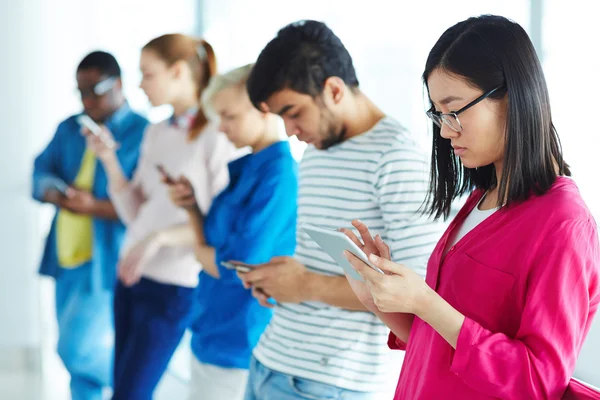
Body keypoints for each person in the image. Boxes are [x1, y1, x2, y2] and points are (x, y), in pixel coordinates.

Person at [342, 15, 600, 400]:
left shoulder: (564, 224)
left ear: (512, 96)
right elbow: (441, 343)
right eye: (438, 114)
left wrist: (425, 301)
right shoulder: (480, 198)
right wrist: (379, 299)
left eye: (455, 110)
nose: (445, 131)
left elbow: (538, 382)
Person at [239, 20, 444, 399]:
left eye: (293, 112)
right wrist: (280, 280)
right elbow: (316, 260)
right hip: (270, 359)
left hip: (330, 384)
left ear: (333, 89)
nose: (288, 130)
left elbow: (420, 294)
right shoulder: (316, 152)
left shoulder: (397, 157)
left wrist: (306, 286)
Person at [85, 35, 235, 400]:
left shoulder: (219, 135)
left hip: (174, 286)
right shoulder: (157, 131)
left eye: (147, 74)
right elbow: (136, 213)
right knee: (122, 389)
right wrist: (108, 160)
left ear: (179, 72)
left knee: (131, 393)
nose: (139, 85)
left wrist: (158, 239)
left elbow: (218, 226)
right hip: (132, 276)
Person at [166, 63, 298, 400]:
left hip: (241, 337)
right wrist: (192, 208)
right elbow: (212, 247)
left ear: (265, 109)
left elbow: (238, 267)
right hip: (212, 326)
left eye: (229, 116)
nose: (221, 128)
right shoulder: (246, 170)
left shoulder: (279, 176)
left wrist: (203, 253)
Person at [32, 51, 148, 400]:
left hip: (109, 256)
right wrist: (59, 194)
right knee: (72, 349)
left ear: (119, 84)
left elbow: (143, 206)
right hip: (67, 255)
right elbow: (39, 173)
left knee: (75, 349)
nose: (87, 100)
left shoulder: (143, 133)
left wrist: (92, 206)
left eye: (94, 90)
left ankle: (134, 384)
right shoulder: (70, 127)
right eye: (80, 92)